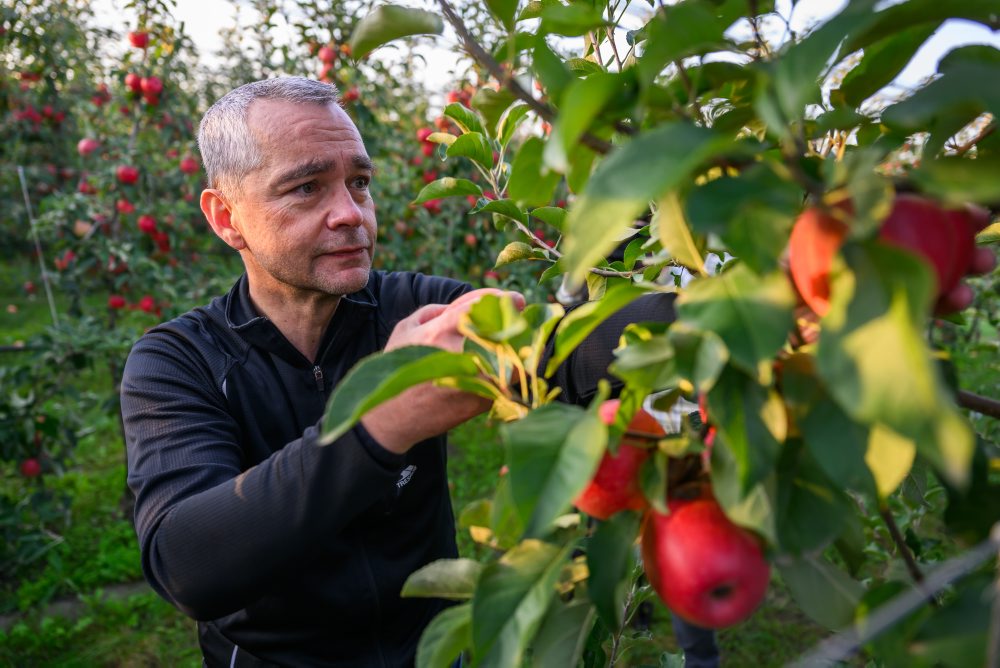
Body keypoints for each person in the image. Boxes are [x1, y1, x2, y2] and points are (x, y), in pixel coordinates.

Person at [120, 76, 693, 667]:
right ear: (226, 216)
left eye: (359, 183)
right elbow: (186, 563)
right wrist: (379, 426)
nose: (350, 213)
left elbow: (564, 347)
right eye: (306, 188)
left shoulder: (414, 311)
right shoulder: (179, 362)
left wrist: (715, 315)